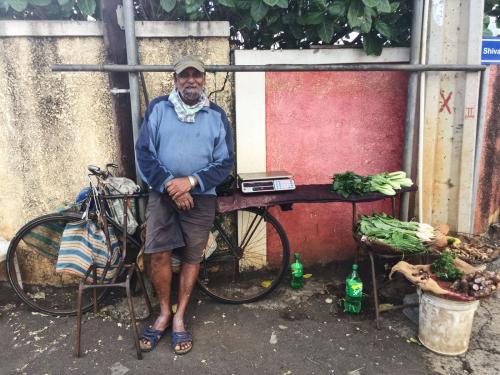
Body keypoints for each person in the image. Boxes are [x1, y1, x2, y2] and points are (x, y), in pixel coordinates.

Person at [135, 55, 234, 355]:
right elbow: (144, 153)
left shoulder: (216, 115)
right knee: (158, 254)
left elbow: (225, 163)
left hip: (201, 196)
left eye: (197, 75)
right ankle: (164, 312)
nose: (191, 80)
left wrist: (190, 182)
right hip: (163, 193)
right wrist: (171, 185)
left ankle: (180, 318)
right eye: (184, 76)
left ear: (204, 80)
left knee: (192, 256)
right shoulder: (158, 108)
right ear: (175, 80)